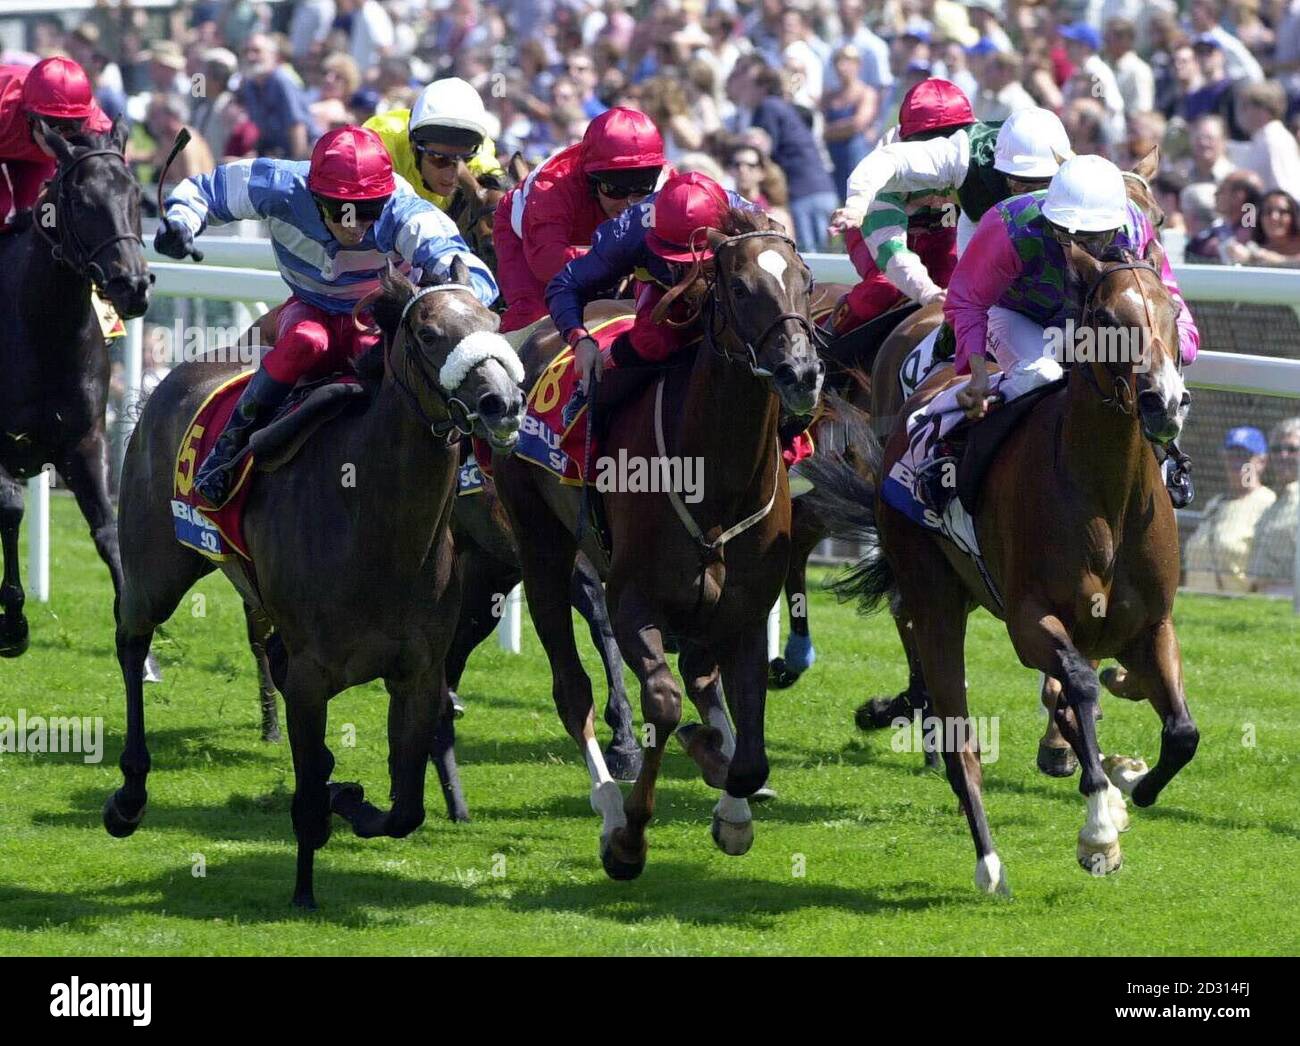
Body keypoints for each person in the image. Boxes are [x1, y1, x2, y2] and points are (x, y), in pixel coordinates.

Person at [155, 125, 498, 507]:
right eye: (341, 210)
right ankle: (228, 448)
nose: (355, 224)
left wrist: (469, 294)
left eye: (369, 212)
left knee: (395, 353)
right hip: (310, 308)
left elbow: (460, 261)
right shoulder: (279, 184)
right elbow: (206, 190)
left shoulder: (403, 208)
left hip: (375, 316)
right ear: (314, 195)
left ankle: (467, 461)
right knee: (308, 340)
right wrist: (181, 222)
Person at [945, 155, 1199, 497]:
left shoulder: (1135, 226)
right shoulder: (1010, 227)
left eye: (1094, 236)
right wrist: (974, 373)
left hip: (1084, 324)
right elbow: (967, 301)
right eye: (1065, 231)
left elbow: (1164, 293)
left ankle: (1165, 459)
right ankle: (954, 453)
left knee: (1153, 375)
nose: (1077, 244)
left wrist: (1180, 341)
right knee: (1042, 375)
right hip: (1015, 315)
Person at [548, 171, 754, 393]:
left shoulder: (748, 223)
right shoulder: (629, 232)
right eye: (673, 259)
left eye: (697, 260)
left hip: (733, 287)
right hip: (665, 290)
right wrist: (580, 341)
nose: (687, 271)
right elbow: (564, 285)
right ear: (654, 238)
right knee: (653, 341)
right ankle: (592, 387)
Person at [492, 107, 668, 333]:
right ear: (592, 180)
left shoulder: (664, 182)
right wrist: (623, 256)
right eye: (615, 190)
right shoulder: (551, 189)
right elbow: (548, 264)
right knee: (535, 319)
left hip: (590, 234)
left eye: (642, 190)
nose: (628, 204)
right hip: (528, 241)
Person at [830, 98, 1073, 258]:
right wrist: (857, 204)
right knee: (969, 299)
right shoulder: (962, 154)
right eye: (1019, 181)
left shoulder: (1079, 176)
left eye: (1041, 184)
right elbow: (888, 159)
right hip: (981, 222)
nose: (1028, 194)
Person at [0, 56, 113, 227]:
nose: (60, 137)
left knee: (47, 218)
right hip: (8, 130)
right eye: (51, 124)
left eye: (71, 126)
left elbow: (118, 178)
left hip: (32, 153)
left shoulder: (97, 127)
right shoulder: (4, 109)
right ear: (28, 116)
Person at [364, 76, 503, 213]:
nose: (450, 176)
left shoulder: (481, 157)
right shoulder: (378, 147)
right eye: (438, 158)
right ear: (414, 146)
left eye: (463, 160)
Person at [1184, 427, 1277, 592]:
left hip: (1238, 607)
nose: (1236, 462)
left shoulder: (1269, 504)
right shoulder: (1215, 504)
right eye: (1231, 454)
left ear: (1261, 461)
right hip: (1197, 604)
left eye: (1243, 456)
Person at [1248, 417, 1300, 594]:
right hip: (1263, 602)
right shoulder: (1274, 504)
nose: (1282, 455)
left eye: (1292, 449)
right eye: (1276, 450)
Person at [1225, 189, 1300, 264]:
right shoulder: (1254, 250)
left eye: (1283, 212)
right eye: (1268, 212)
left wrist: (1279, 260)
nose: (1274, 217)